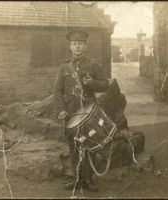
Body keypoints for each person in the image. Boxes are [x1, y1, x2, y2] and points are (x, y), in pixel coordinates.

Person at [54, 29, 109, 192]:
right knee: (73, 146)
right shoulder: (64, 67)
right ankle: (77, 179)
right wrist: (61, 110)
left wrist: (92, 82)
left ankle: (88, 179)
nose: (78, 47)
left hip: (88, 112)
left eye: (81, 44)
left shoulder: (93, 64)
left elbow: (105, 85)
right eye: (74, 44)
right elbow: (57, 91)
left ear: (85, 46)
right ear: (70, 46)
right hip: (71, 112)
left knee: (90, 144)